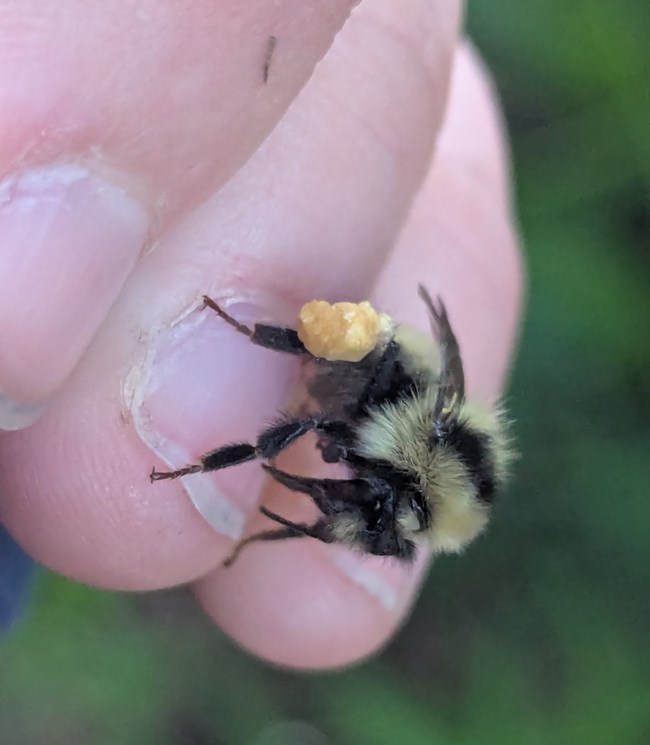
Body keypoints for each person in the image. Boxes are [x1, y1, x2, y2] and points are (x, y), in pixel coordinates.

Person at [0, 0, 522, 666]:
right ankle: (229, 338)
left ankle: (225, 345)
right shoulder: (409, 459)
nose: (331, 494)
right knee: (301, 427)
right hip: (373, 363)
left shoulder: (400, 481)